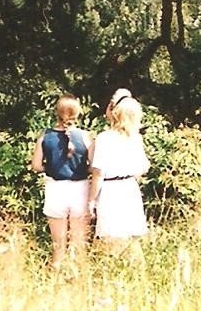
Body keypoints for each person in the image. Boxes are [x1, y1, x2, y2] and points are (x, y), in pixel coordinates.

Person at [30, 94, 93, 269]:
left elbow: (36, 165)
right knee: (79, 243)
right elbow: (93, 167)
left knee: (58, 246)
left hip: (55, 190)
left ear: (56, 113)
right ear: (78, 113)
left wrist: (51, 168)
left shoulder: (45, 136)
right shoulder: (86, 137)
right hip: (80, 189)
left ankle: (55, 281)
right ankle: (79, 281)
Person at [89, 90, 149, 254]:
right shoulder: (135, 138)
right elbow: (144, 167)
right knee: (132, 238)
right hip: (130, 188)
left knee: (111, 236)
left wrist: (91, 201)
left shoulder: (104, 138)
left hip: (111, 191)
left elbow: (98, 173)